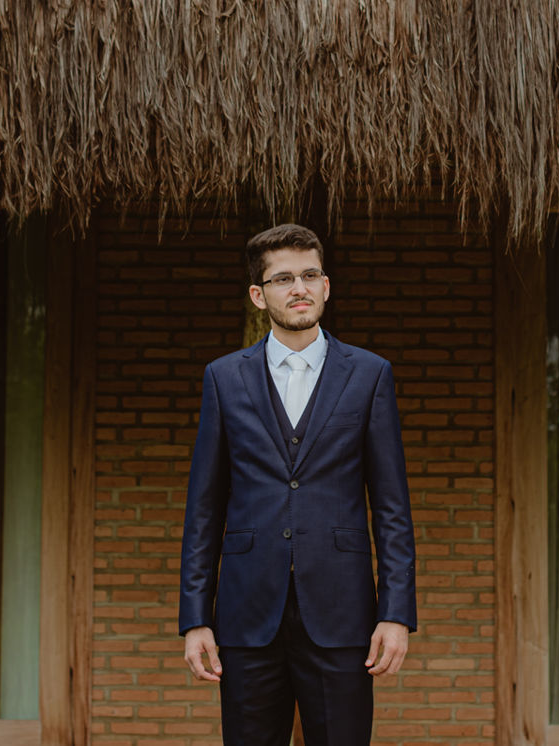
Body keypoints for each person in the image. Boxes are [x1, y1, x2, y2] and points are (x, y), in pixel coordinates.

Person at [178, 223, 417, 746]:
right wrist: (196, 619)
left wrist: (395, 614)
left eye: (310, 275)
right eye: (283, 279)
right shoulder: (223, 378)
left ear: (326, 286)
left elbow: (392, 506)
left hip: (342, 614)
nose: (299, 288)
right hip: (246, 616)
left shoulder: (371, 374)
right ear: (259, 296)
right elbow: (204, 508)